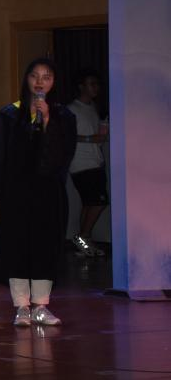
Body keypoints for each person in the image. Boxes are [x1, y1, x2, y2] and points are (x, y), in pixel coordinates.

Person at [0, 58, 77, 327]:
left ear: (54, 82)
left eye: (46, 77)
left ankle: (41, 306)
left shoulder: (63, 115)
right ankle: (21, 307)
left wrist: (46, 120)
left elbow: (63, 155)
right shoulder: (9, 115)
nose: (39, 82)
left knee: (44, 247)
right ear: (26, 79)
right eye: (34, 76)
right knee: (18, 247)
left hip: (48, 192)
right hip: (17, 192)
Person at [67, 69, 108, 257]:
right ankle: (83, 238)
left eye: (97, 84)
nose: (96, 88)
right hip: (81, 164)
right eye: (92, 84)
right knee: (98, 202)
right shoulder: (71, 109)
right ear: (81, 86)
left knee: (89, 203)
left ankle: (83, 243)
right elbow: (66, 137)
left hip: (95, 162)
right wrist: (91, 139)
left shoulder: (93, 107)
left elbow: (98, 136)